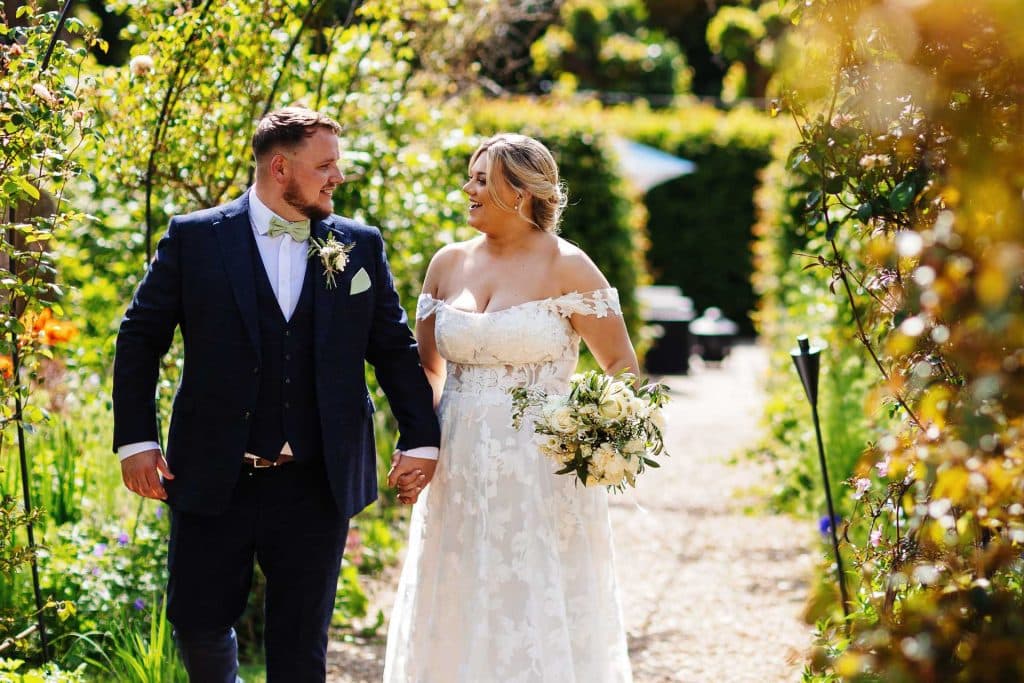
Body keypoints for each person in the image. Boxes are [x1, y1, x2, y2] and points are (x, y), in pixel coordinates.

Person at [111, 106, 439, 682]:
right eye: (326, 166)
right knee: (198, 622)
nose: (337, 177)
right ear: (281, 167)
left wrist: (421, 438)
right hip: (215, 469)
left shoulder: (358, 245)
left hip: (317, 476)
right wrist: (136, 440)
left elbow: (390, 345)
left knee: (302, 643)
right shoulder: (194, 238)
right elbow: (140, 338)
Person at [383, 133, 638, 682]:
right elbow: (429, 371)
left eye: (481, 179)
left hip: (542, 470)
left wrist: (592, 438)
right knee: (457, 587)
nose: (467, 188)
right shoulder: (446, 264)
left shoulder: (569, 267)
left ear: (520, 191)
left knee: (531, 589)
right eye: (471, 177)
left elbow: (620, 365)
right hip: (458, 464)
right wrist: (417, 445)